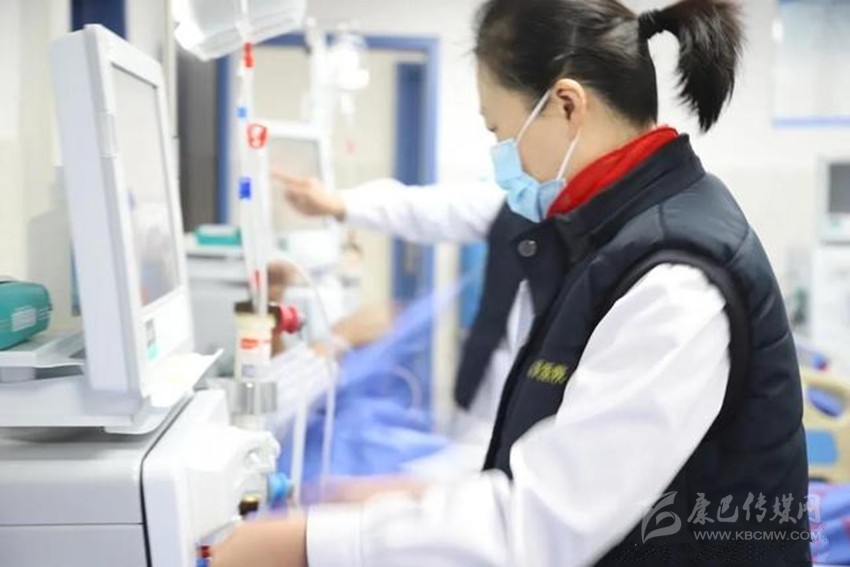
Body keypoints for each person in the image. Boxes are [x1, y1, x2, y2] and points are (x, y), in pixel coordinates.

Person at [212, 1, 811, 565]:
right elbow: (555, 460)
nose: (503, 157)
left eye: (500, 131)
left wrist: (306, 544)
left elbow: (541, 523)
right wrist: (405, 501)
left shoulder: (674, 279)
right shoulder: (606, 234)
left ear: (567, 106)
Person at [274, 172, 533, 440]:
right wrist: (339, 203)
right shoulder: (514, 203)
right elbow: (425, 208)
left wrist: (341, 338)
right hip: (482, 400)